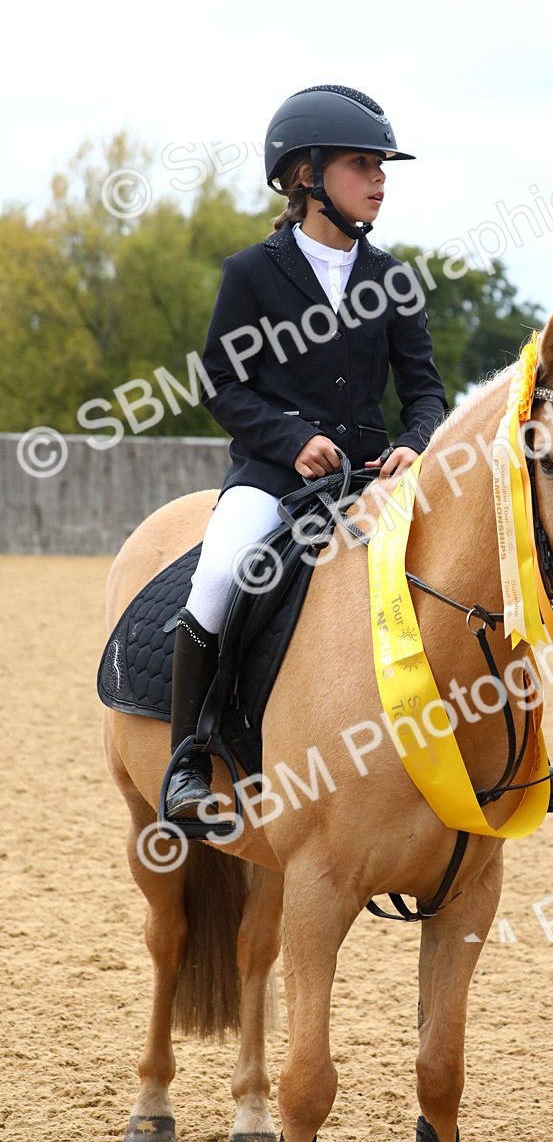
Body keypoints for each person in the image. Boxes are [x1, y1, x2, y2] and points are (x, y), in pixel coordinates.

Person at [164, 84, 449, 823]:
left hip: (372, 482)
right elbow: (222, 383)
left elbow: (425, 394)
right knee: (223, 573)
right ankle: (188, 762)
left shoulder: (394, 281)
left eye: (383, 165)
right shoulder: (251, 274)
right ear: (306, 177)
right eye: (363, 164)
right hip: (272, 479)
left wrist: (414, 447)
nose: (381, 179)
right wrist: (293, 439)